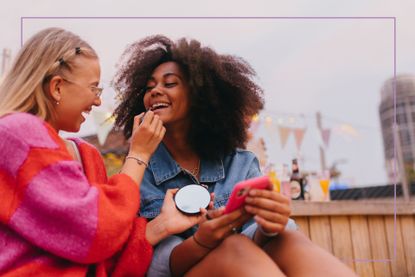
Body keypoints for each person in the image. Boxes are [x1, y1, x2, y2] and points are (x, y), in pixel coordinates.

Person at [113, 35, 357, 277]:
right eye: (148, 87)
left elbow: (258, 236)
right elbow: (159, 266)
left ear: (200, 94)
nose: (155, 91)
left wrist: (270, 224)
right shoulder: (138, 172)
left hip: (246, 263)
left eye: (169, 83)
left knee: (287, 239)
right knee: (234, 246)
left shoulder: (240, 163)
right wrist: (202, 242)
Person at [0, 28, 204, 277]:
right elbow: (94, 232)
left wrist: (161, 225)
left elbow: (103, 256)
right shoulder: (16, 134)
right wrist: (138, 155)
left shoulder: (88, 155)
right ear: (57, 88)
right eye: (94, 88)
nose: (98, 101)